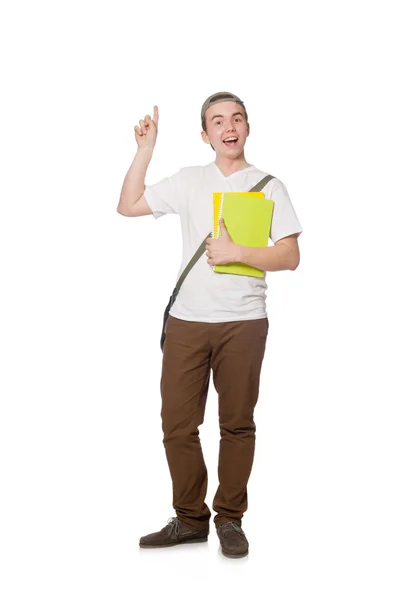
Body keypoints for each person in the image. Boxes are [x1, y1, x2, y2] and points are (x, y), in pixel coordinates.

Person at [117, 91, 303, 558]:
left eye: (237, 118)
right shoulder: (189, 181)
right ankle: (189, 519)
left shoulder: (269, 185)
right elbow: (128, 204)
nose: (229, 126)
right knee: (177, 424)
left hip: (243, 322)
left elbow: (290, 255)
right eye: (218, 121)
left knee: (237, 425)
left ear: (247, 127)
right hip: (187, 324)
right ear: (205, 134)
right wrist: (144, 151)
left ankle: (231, 519)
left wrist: (239, 252)